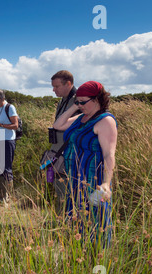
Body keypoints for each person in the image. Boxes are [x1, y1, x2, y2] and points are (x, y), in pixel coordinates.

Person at [53, 81, 117, 247]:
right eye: (77, 101)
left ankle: (98, 265)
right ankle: (79, 259)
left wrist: (106, 183)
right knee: (76, 220)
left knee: (96, 223)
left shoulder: (105, 121)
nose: (80, 105)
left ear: (97, 99)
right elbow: (57, 125)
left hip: (92, 181)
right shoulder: (81, 118)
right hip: (75, 179)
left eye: (83, 102)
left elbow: (109, 155)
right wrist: (75, 107)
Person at [50, 70, 80, 213]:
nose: (53, 90)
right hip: (59, 149)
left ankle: (65, 222)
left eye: (56, 86)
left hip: (70, 151)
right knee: (58, 185)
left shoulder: (79, 101)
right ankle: (61, 218)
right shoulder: (63, 100)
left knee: (67, 187)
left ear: (68, 83)